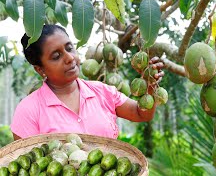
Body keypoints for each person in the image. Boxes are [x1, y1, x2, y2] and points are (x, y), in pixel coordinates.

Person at [10, 24, 165, 140]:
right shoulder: (28, 110)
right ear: (40, 69)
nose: (70, 58)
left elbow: (140, 113)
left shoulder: (103, 92)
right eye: (56, 56)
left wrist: (149, 86)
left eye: (69, 48)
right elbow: (27, 164)